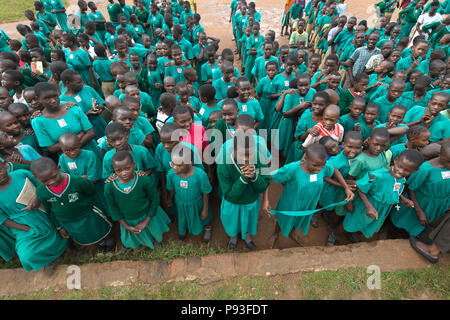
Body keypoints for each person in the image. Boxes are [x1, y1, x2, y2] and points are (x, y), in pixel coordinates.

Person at [263, 143, 354, 247]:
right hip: (291, 203)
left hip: (308, 204)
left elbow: (334, 170)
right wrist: (266, 200)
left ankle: (292, 232)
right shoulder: (293, 168)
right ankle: (275, 234)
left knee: (298, 219)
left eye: (322, 166)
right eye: (315, 166)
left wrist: (346, 187)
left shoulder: (322, 165)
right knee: (284, 219)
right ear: (305, 158)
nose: (319, 169)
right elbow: (268, 178)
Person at [0, 160, 68, 274]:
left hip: (44, 210)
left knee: (61, 229)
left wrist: (37, 196)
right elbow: (4, 220)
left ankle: (67, 248)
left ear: (5, 166)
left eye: (0, 169)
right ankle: (48, 260)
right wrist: (27, 229)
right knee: (27, 255)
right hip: (22, 224)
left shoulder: (21, 174)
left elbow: (43, 184)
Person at [31, 157, 113, 250]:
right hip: (67, 222)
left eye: (54, 176)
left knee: (100, 230)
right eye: (45, 181)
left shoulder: (77, 181)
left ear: (59, 168)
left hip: (88, 215)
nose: (52, 182)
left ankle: (110, 243)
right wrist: (59, 227)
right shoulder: (41, 192)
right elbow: (49, 210)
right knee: (85, 235)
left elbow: (91, 191)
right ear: (36, 178)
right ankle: (101, 245)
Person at [342, 149, 424, 239]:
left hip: (383, 209)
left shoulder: (401, 178)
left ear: (414, 171)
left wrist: (403, 199)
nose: (401, 171)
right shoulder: (377, 175)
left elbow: (392, 190)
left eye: (407, 170)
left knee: (370, 225)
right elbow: (361, 188)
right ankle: (340, 235)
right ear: (396, 160)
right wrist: (369, 207)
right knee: (354, 223)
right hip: (366, 205)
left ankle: (357, 236)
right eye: (399, 166)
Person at [104, 151, 170, 251]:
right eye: (119, 170)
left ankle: (157, 240)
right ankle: (128, 245)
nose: (124, 173)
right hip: (128, 220)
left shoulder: (143, 180)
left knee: (154, 231)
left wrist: (146, 220)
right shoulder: (109, 187)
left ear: (134, 165)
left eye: (127, 168)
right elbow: (113, 208)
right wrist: (126, 226)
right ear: (114, 170)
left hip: (147, 214)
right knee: (130, 237)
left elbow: (155, 199)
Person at [216, 131, 271, 250]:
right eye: (242, 154)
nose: (246, 159)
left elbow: (264, 185)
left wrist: (255, 176)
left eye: (249, 154)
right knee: (233, 223)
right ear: (233, 149)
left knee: (249, 221)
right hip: (233, 204)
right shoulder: (224, 164)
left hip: (250, 202)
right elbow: (229, 195)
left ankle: (247, 236)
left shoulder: (259, 158)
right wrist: (244, 179)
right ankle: (233, 237)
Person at [391, 141, 450, 242]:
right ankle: (399, 236)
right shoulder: (425, 169)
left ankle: (415, 235)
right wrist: (419, 211)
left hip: (438, 204)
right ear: (440, 155)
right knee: (408, 221)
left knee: (424, 224)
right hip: (420, 203)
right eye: (448, 161)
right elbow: (411, 187)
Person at [30, 83, 101, 159]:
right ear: (38, 99)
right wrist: (78, 137)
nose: (53, 100)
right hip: (69, 160)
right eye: (47, 98)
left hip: (91, 153)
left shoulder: (72, 108)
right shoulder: (38, 121)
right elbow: (52, 148)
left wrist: (70, 148)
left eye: (55, 96)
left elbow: (91, 133)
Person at [166, 145, 213, 242]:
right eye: (173, 164)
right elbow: (172, 189)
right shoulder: (171, 174)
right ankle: (183, 229)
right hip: (181, 203)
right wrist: (169, 198)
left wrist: (205, 208)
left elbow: (205, 192)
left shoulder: (200, 175)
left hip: (198, 203)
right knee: (183, 216)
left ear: (189, 163)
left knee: (204, 217)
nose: (174, 167)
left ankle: (207, 228)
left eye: (179, 165)